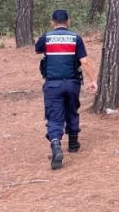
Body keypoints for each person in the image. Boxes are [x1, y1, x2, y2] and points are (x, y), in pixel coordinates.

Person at [34, 9, 97, 170]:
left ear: (52, 22)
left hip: (53, 84)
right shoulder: (76, 38)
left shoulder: (46, 37)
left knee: (55, 116)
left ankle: (56, 145)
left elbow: (38, 49)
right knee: (72, 110)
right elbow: (85, 62)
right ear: (68, 21)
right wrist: (93, 80)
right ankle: (74, 143)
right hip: (72, 83)